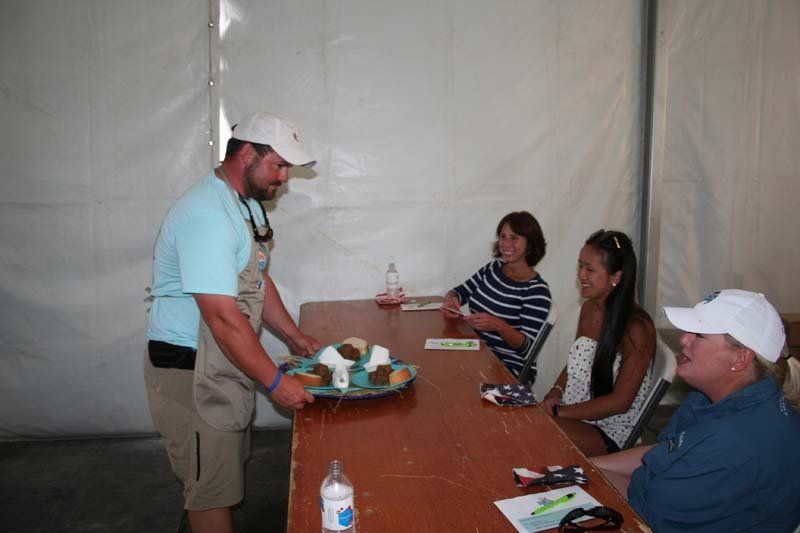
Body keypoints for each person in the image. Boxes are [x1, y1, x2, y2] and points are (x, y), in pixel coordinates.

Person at [144, 111, 321, 533]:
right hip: (191, 367)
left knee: (221, 472)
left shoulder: (241, 206)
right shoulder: (208, 216)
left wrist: (294, 337)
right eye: (278, 165)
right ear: (246, 154)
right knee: (210, 491)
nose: (283, 177)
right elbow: (223, 319)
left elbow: (257, 277)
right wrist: (276, 384)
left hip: (218, 361)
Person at [592, 289, 800, 532]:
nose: (683, 339)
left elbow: (645, 510)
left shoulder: (734, 443)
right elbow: (663, 453)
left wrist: (584, 474)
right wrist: (584, 465)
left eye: (699, 335)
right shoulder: (712, 398)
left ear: (740, 359)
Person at [540, 230, 655, 456]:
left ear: (616, 277)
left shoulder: (637, 328)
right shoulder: (589, 308)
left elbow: (620, 402)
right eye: (580, 266)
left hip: (611, 429)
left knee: (535, 433)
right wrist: (555, 392)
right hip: (577, 413)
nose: (581, 275)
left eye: (590, 269)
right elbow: (575, 364)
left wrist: (559, 412)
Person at [441, 211, 552, 381]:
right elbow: (459, 292)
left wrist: (499, 325)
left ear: (530, 243)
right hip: (477, 353)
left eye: (514, 238)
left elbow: (528, 348)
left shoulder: (537, 291)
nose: (506, 244)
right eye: (503, 236)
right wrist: (451, 301)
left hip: (507, 367)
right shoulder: (492, 269)